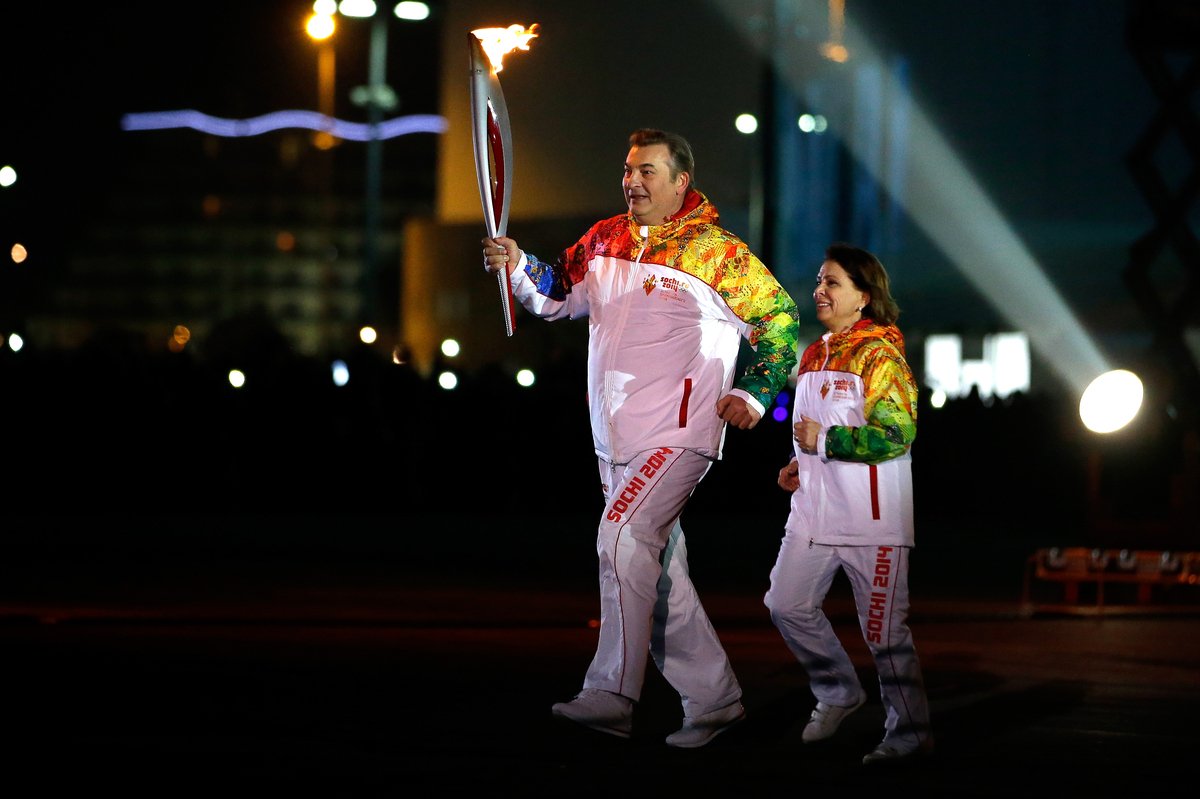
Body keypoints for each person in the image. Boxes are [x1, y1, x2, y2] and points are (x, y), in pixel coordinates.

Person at [481, 128, 800, 747]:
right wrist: (518, 265)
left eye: (649, 171)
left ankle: (611, 694)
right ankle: (715, 701)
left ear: (682, 181)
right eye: (629, 170)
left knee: (622, 536)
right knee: (656, 570)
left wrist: (755, 391)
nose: (633, 181)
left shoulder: (717, 253)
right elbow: (556, 297)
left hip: (680, 431)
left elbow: (780, 321)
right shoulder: (604, 238)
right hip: (614, 435)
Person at [764, 243, 934, 765]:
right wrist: (801, 463)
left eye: (832, 282)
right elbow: (809, 431)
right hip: (814, 514)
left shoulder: (881, 355)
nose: (820, 289)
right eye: (819, 280)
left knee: (883, 634)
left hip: (871, 519)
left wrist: (826, 443)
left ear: (863, 296)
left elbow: (898, 433)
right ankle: (838, 691)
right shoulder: (815, 353)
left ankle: (908, 734)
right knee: (785, 604)